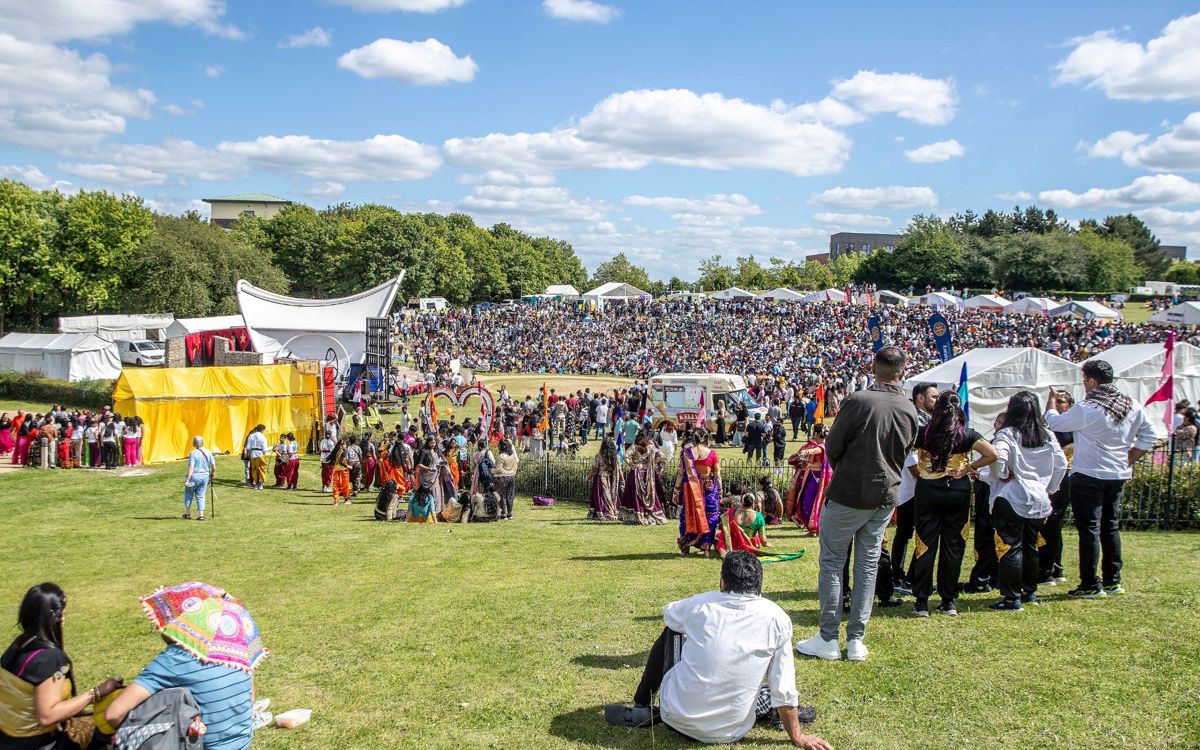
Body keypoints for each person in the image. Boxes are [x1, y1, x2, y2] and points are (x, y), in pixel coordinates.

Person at [603, 552, 831, 750]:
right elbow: (783, 685)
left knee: (672, 630)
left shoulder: (698, 605)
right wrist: (797, 736)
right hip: (732, 730)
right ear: (759, 586)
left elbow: (670, 615)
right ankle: (775, 711)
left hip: (676, 717)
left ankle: (642, 705)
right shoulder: (777, 618)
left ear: (722, 583)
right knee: (761, 688)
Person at [795, 346, 917, 663]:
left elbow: (833, 446)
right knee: (866, 566)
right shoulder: (908, 407)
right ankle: (855, 640)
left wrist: (847, 473)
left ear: (874, 368)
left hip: (850, 493)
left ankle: (828, 638)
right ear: (902, 372)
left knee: (833, 563)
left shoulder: (859, 400)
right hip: (884, 496)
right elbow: (906, 451)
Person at [1045, 360, 1158, 598]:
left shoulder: (1087, 407)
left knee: (1089, 529)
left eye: (1084, 380)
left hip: (1089, 472)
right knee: (1110, 526)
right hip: (1117, 473)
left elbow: (1055, 422)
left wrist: (1052, 401)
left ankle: (1089, 583)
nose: (1084, 384)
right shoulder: (1132, 405)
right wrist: (1130, 458)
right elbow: (1150, 435)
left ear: (1093, 381)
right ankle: (1112, 580)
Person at [907, 392, 998, 618]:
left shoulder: (924, 432)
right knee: (953, 545)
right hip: (957, 490)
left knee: (925, 544)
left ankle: (921, 602)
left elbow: (902, 447)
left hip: (928, 489)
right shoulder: (966, 433)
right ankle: (948, 600)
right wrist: (969, 468)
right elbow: (992, 453)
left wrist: (922, 468)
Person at [2, 584, 124, 750]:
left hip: (8, 739)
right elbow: (47, 716)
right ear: (57, 616)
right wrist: (97, 692)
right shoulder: (50, 658)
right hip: (41, 743)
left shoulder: (18, 645)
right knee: (115, 714)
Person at [984, 392, 1068, 611]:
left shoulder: (1007, 433)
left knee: (1010, 547)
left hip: (1012, 496)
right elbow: (1061, 463)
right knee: (1031, 546)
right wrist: (1049, 487)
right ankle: (1029, 591)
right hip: (1038, 497)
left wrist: (1002, 474)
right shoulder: (1046, 434)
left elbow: (998, 457)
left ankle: (1011, 597)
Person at [104, 633, 254, 750]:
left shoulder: (173, 658)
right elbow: (250, 699)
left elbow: (113, 714)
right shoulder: (236, 650)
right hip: (242, 742)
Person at [892, 382, 938, 594]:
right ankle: (900, 577)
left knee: (914, 533)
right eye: (933, 397)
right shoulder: (916, 420)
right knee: (907, 533)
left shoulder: (929, 419)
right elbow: (911, 458)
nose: (936, 401)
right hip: (913, 487)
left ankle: (906, 576)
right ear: (920, 398)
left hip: (919, 486)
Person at [785, 424, 830, 535]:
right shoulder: (817, 445)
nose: (813, 434)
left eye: (814, 432)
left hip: (817, 478)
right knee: (805, 500)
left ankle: (815, 528)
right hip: (811, 475)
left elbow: (817, 451)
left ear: (817, 434)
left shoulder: (822, 446)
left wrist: (806, 452)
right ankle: (811, 529)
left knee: (811, 500)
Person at [619, 432, 667, 526]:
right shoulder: (651, 448)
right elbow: (662, 456)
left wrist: (632, 464)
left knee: (636, 494)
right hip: (647, 474)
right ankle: (648, 513)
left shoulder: (634, 447)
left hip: (636, 473)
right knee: (648, 494)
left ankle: (637, 515)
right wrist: (653, 463)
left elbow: (625, 456)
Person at [587, 438, 622, 522]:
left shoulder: (599, 456)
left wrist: (588, 477)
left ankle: (602, 512)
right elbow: (619, 469)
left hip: (600, 478)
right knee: (610, 495)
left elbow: (594, 469)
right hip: (612, 479)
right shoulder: (616, 456)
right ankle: (613, 511)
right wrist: (622, 480)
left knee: (600, 496)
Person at [183, 436, 214, 522]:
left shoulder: (193, 453)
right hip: (205, 476)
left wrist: (187, 480)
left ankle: (188, 513)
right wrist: (212, 473)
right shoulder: (208, 451)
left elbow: (191, 467)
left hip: (195, 476)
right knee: (201, 495)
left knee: (189, 494)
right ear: (202, 443)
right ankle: (201, 514)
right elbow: (213, 465)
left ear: (194, 443)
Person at [493, 439, 519, 520]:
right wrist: (511, 473)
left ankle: (503, 513)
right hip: (511, 477)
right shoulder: (512, 456)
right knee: (510, 496)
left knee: (502, 495)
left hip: (502, 478)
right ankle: (510, 513)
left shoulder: (501, 456)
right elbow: (515, 466)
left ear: (501, 447)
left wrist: (491, 470)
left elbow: (499, 469)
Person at [329, 439, 353, 506]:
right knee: (345, 485)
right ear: (341, 446)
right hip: (344, 471)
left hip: (336, 470)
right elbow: (341, 462)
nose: (346, 446)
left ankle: (336, 501)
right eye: (345, 444)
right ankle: (346, 500)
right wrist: (348, 466)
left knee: (336, 485)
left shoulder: (336, 452)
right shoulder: (343, 452)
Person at [244, 425, 268, 491]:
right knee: (262, 469)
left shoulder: (251, 436)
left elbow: (248, 447)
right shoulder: (263, 437)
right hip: (260, 454)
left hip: (253, 454)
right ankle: (260, 484)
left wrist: (249, 453)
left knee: (254, 469)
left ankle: (256, 484)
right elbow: (265, 449)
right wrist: (272, 447)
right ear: (262, 430)